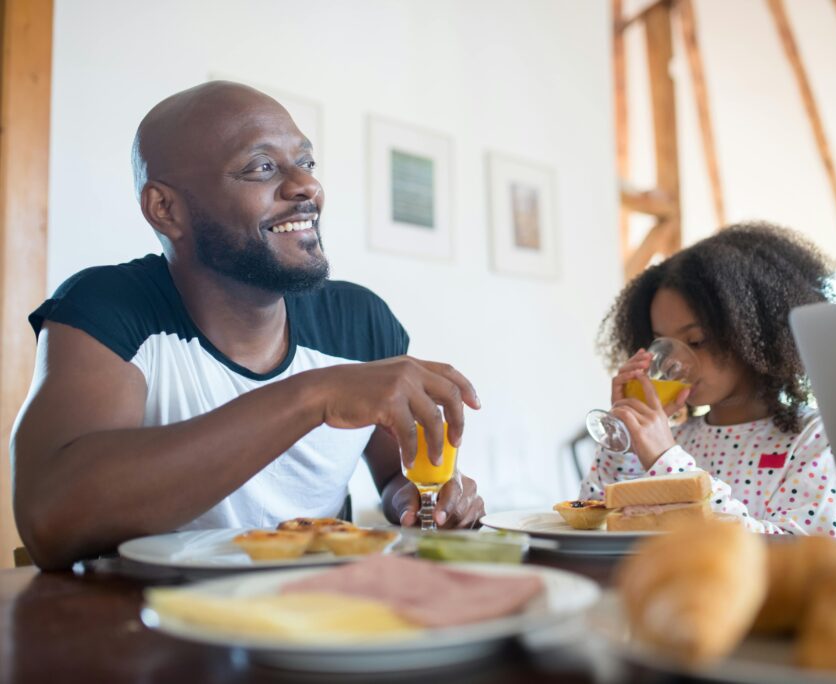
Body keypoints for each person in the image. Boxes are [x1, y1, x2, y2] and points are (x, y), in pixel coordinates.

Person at [12, 81, 485, 570]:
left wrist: (421, 499)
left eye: (306, 163)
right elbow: (52, 520)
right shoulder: (109, 309)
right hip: (153, 626)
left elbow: (394, 478)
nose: (307, 186)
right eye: (261, 167)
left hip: (315, 618)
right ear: (165, 208)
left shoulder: (359, 322)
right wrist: (312, 396)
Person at [582, 223, 836, 537]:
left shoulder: (816, 437)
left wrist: (668, 463)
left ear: (755, 334)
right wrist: (623, 441)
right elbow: (594, 523)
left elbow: (800, 554)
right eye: (661, 342)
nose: (672, 360)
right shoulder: (675, 440)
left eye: (696, 341)